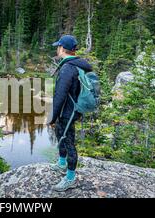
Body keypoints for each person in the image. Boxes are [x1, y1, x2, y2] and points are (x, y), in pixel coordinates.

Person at [47, 35, 93, 192]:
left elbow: (60, 95)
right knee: (61, 134)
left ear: (61, 48)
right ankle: (61, 163)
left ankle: (70, 177)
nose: (56, 49)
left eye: (57, 47)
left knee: (68, 141)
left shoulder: (68, 68)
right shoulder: (75, 64)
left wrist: (52, 117)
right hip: (72, 109)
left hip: (68, 111)